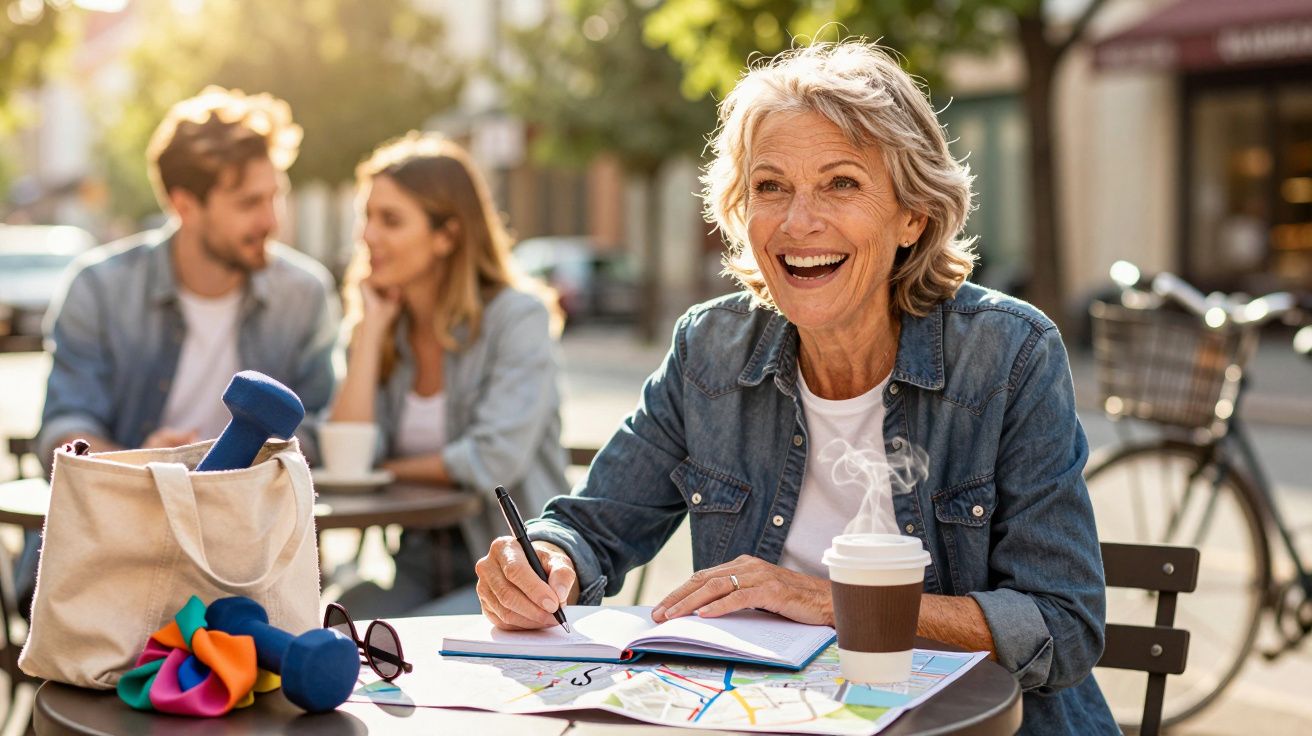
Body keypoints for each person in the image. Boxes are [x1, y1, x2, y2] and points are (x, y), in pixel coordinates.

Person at [474, 42, 1118, 733]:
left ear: (913, 215)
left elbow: (1063, 624)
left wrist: (826, 601)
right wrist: (546, 561)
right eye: (770, 186)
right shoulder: (710, 350)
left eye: (841, 183)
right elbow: (592, 526)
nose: (798, 222)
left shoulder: (1008, 355)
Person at [330, 132, 569, 618]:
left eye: (390, 220)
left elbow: (492, 459)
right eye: (366, 217)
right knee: (332, 622)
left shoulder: (517, 318)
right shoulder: (383, 327)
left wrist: (387, 470)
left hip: (516, 568)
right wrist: (370, 332)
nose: (367, 236)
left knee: (398, 640)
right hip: (417, 565)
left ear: (447, 235)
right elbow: (348, 458)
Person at [37, 86, 338, 464]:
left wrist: (237, 466)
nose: (271, 221)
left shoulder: (304, 293)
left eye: (275, 196)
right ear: (185, 206)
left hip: (255, 501)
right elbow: (65, 428)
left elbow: (320, 426)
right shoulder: (98, 289)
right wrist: (141, 464)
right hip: (135, 499)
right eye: (249, 203)